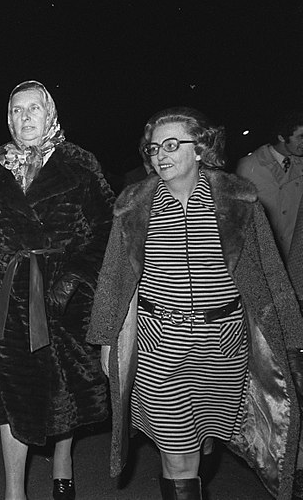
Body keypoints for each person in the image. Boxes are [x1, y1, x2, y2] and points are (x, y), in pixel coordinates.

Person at [87, 107, 303, 500]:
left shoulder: (240, 201)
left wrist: (290, 335)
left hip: (224, 345)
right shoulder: (134, 206)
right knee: (177, 450)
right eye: (154, 148)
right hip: (159, 345)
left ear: (201, 148)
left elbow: (270, 272)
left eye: (172, 145)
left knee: (205, 441)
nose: (160, 156)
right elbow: (114, 278)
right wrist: (108, 339)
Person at [0, 80, 113, 500]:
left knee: (61, 390)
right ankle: (15, 492)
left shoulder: (80, 164)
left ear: (50, 115)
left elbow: (106, 233)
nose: (24, 117)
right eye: (16, 110)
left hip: (64, 300)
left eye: (34, 108)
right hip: (8, 299)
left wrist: (71, 282)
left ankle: (63, 465)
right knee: (9, 391)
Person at [236, 111, 303, 262]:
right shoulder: (247, 167)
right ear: (281, 137)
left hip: (297, 253)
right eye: (301, 137)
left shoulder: (300, 162)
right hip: (270, 255)